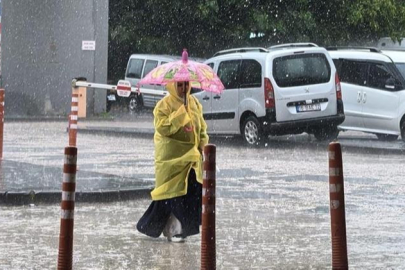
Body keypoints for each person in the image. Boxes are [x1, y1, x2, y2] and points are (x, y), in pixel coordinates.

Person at [136, 80, 209, 242]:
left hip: (192, 159)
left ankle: (179, 226)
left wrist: (203, 145)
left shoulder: (195, 103)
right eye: (179, 85)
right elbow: (163, 128)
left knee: (192, 191)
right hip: (171, 160)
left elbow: (202, 128)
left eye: (186, 84)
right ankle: (175, 228)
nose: (183, 89)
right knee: (172, 194)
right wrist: (180, 114)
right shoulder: (163, 105)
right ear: (172, 86)